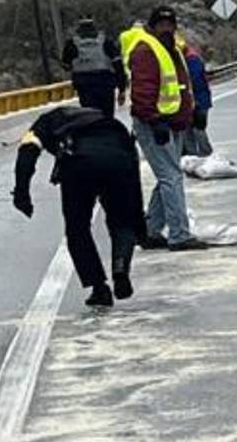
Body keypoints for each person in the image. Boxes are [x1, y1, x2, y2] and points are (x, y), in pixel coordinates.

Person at [11, 106, 145, 307]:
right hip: (119, 161)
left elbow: (27, 151)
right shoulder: (107, 121)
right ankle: (120, 268)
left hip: (79, 164)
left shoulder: (45, 123)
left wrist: (22, 193)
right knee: (122, 222)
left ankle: (99, 287)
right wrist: (139, 223)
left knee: (77, 228)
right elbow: (133, 171)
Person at [130, 7, 208, 251]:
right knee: (171, 177)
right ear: (152, 26)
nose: (166, 28)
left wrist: (193, 110)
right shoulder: (145, 51)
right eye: (161, 24)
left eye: (170, 24)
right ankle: (179, 235)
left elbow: (181, 85)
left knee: (169, 176)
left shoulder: (171, 49)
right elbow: (142, 91)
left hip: (174, 122)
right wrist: (154, 120)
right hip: (155, 124)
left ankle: (150, 231)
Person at [61, 19, 128, 116]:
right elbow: (118, 65)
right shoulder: (105, 41)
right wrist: (122, 88)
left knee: (90, 118)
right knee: (107, 118)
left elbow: (65, 65)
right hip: (105, 85)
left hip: (84, 87)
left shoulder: (72, 44)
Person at [180, 34, 214, 157]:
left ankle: (206, 154)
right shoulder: (189, 58)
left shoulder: (191, 60)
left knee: (197, 129)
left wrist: (196, 102)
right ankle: (193, 156)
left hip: (198, 100)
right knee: (189, 129)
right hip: (195, 100)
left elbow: (195, 82)